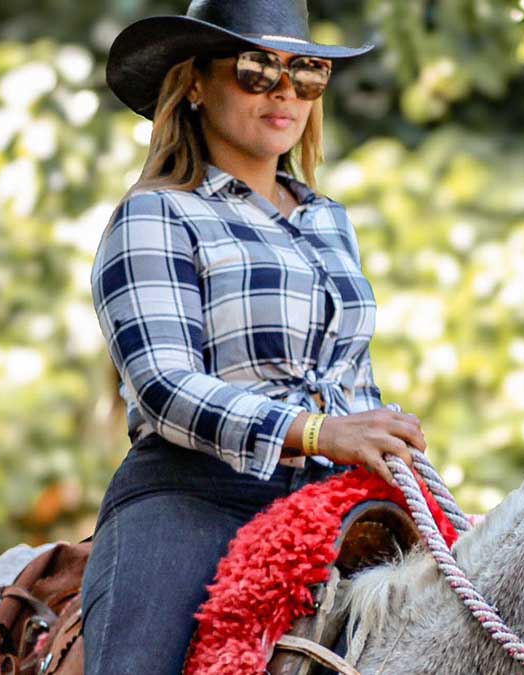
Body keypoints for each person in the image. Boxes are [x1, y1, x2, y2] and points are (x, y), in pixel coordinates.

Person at [81, 1, 429, 673]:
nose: (284, 91)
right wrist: (318, 432)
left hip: (338, 496)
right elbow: (161, 386)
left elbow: (348, 372)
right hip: (194, 495)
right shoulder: (156, 212)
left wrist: (384, 439)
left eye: (306, 72)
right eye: (255, 68)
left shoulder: (330, 220)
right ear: (194, 84)